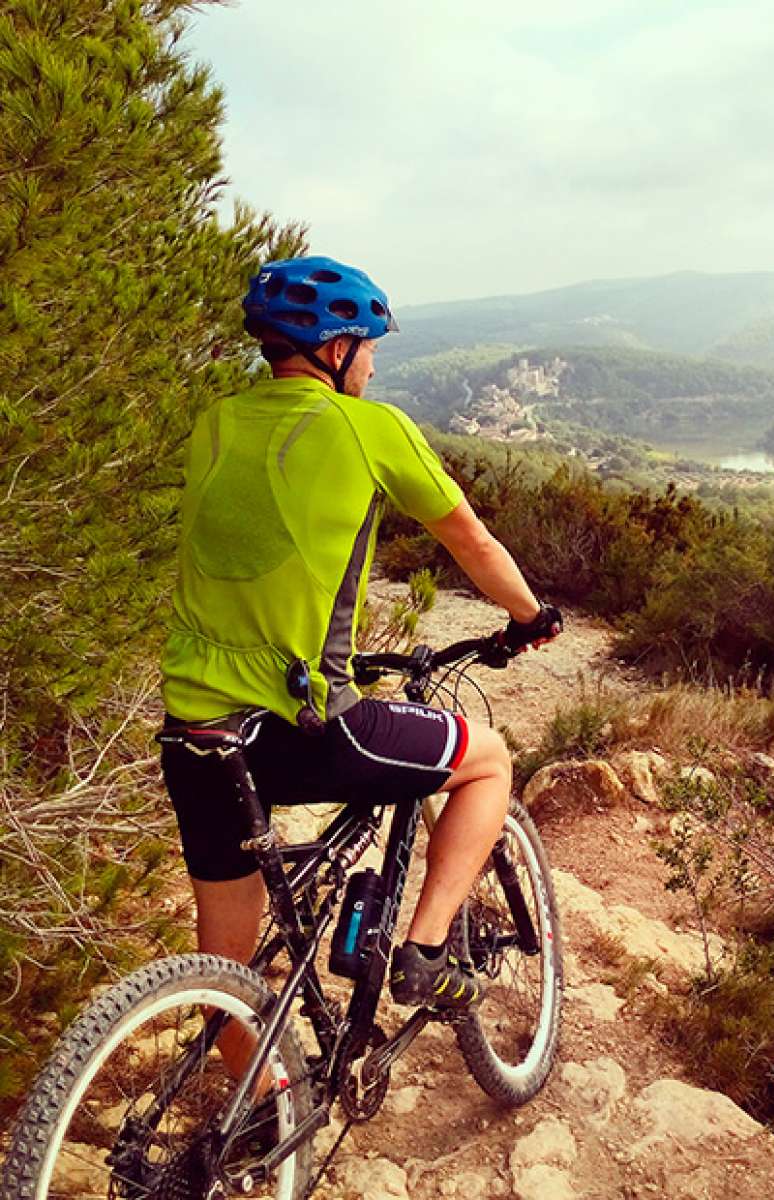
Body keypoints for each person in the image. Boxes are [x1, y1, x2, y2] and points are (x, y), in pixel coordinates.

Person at [159, 257, 561, 1068]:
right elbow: (471, 540)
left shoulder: (216, 422)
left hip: (194, 732)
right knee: (487, 762)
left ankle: (262, 1124)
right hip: (301, 724)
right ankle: (426, 951)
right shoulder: (368, 428)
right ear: (335, 348)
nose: (373, 363)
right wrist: (530, 617)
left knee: (225, 973)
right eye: (369, 346)